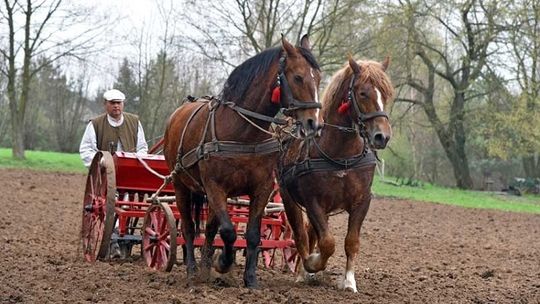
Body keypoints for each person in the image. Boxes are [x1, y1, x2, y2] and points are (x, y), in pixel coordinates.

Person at [79, 89, 148, 167]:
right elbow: (86, 149)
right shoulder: (95, 124)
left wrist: (135, 162)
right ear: (105, 104)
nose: (116, 105)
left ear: (123, 104)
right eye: (112, 103)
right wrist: (101, 161)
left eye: (118, 102)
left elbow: (142, 147)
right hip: (104, 172)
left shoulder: (135, 122)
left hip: (131, 170)